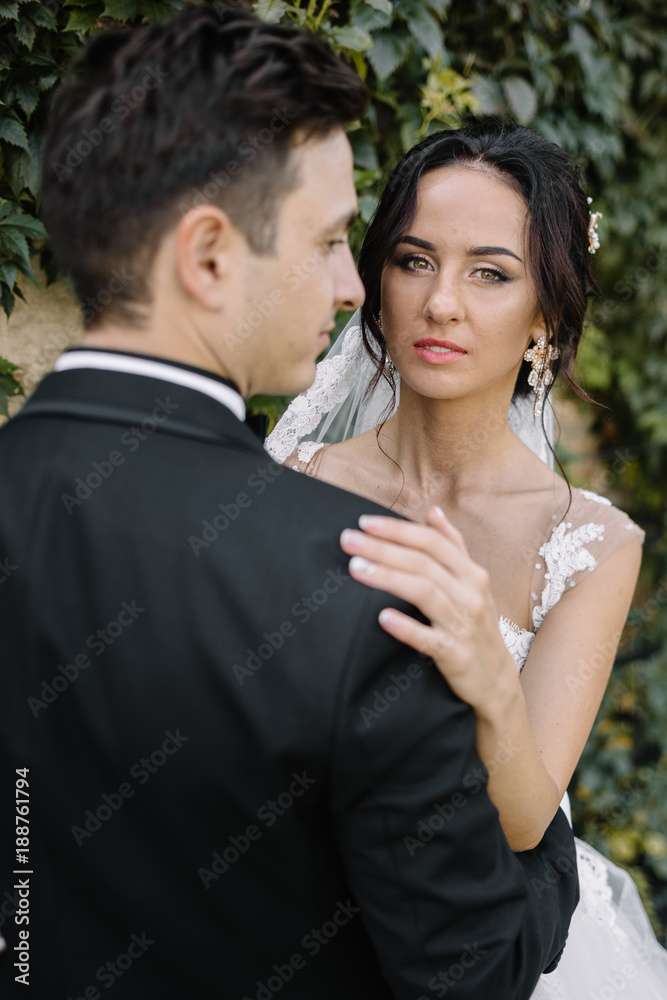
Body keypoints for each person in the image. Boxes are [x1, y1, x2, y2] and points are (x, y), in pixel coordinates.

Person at [0, 9, 578, 999]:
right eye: (325, 241)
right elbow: (470, 973)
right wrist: (550, 856)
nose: (350, 287)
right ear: (210, 254)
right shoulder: (368, 588)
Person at [267, 119, 667, 997]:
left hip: (470, 934)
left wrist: (485, 674)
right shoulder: (288, 480)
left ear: (547, 313)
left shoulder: (591, 544)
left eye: (490, 273)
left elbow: (525, 820)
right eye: (413, 260)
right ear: (375, 281)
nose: (440, 301)